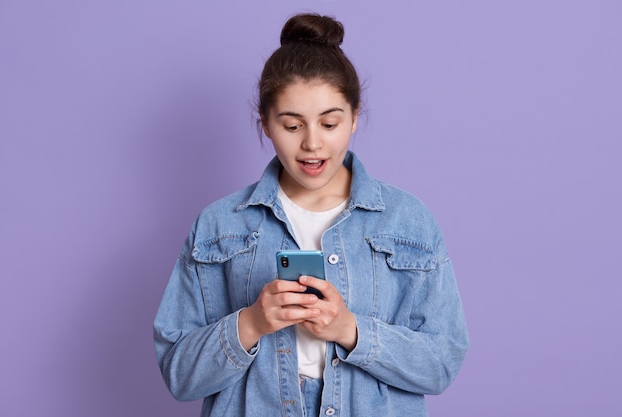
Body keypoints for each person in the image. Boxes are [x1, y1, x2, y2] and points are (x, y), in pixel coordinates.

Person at [154, 12, 468, 417]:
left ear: (355, 118)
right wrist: (251, 322)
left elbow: (441, 364)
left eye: (330, 122)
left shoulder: (407, 222)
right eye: (292, 125)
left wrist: (351, 331)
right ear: (265, 123)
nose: (312, 144)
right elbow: (179, 376)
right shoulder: (219, 226)